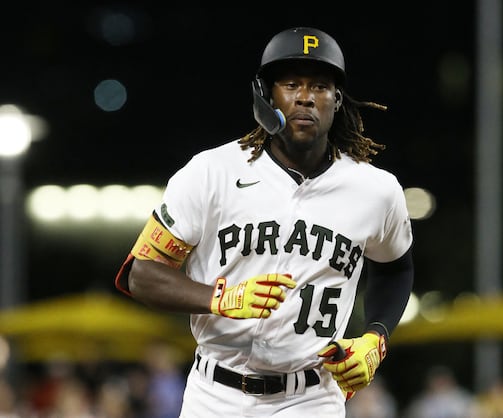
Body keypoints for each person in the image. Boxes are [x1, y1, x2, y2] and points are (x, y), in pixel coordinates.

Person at [114, 26, 414, 418]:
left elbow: (396, 269)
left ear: (337, 100)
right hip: (214, 396)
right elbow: (141, 274)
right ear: (266, 95)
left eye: (320, 86)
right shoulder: (211, 172)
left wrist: (376, 337)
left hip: (311, 398)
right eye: (291, 84)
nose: (305, 96)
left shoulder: (375, 189)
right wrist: (220, 298)